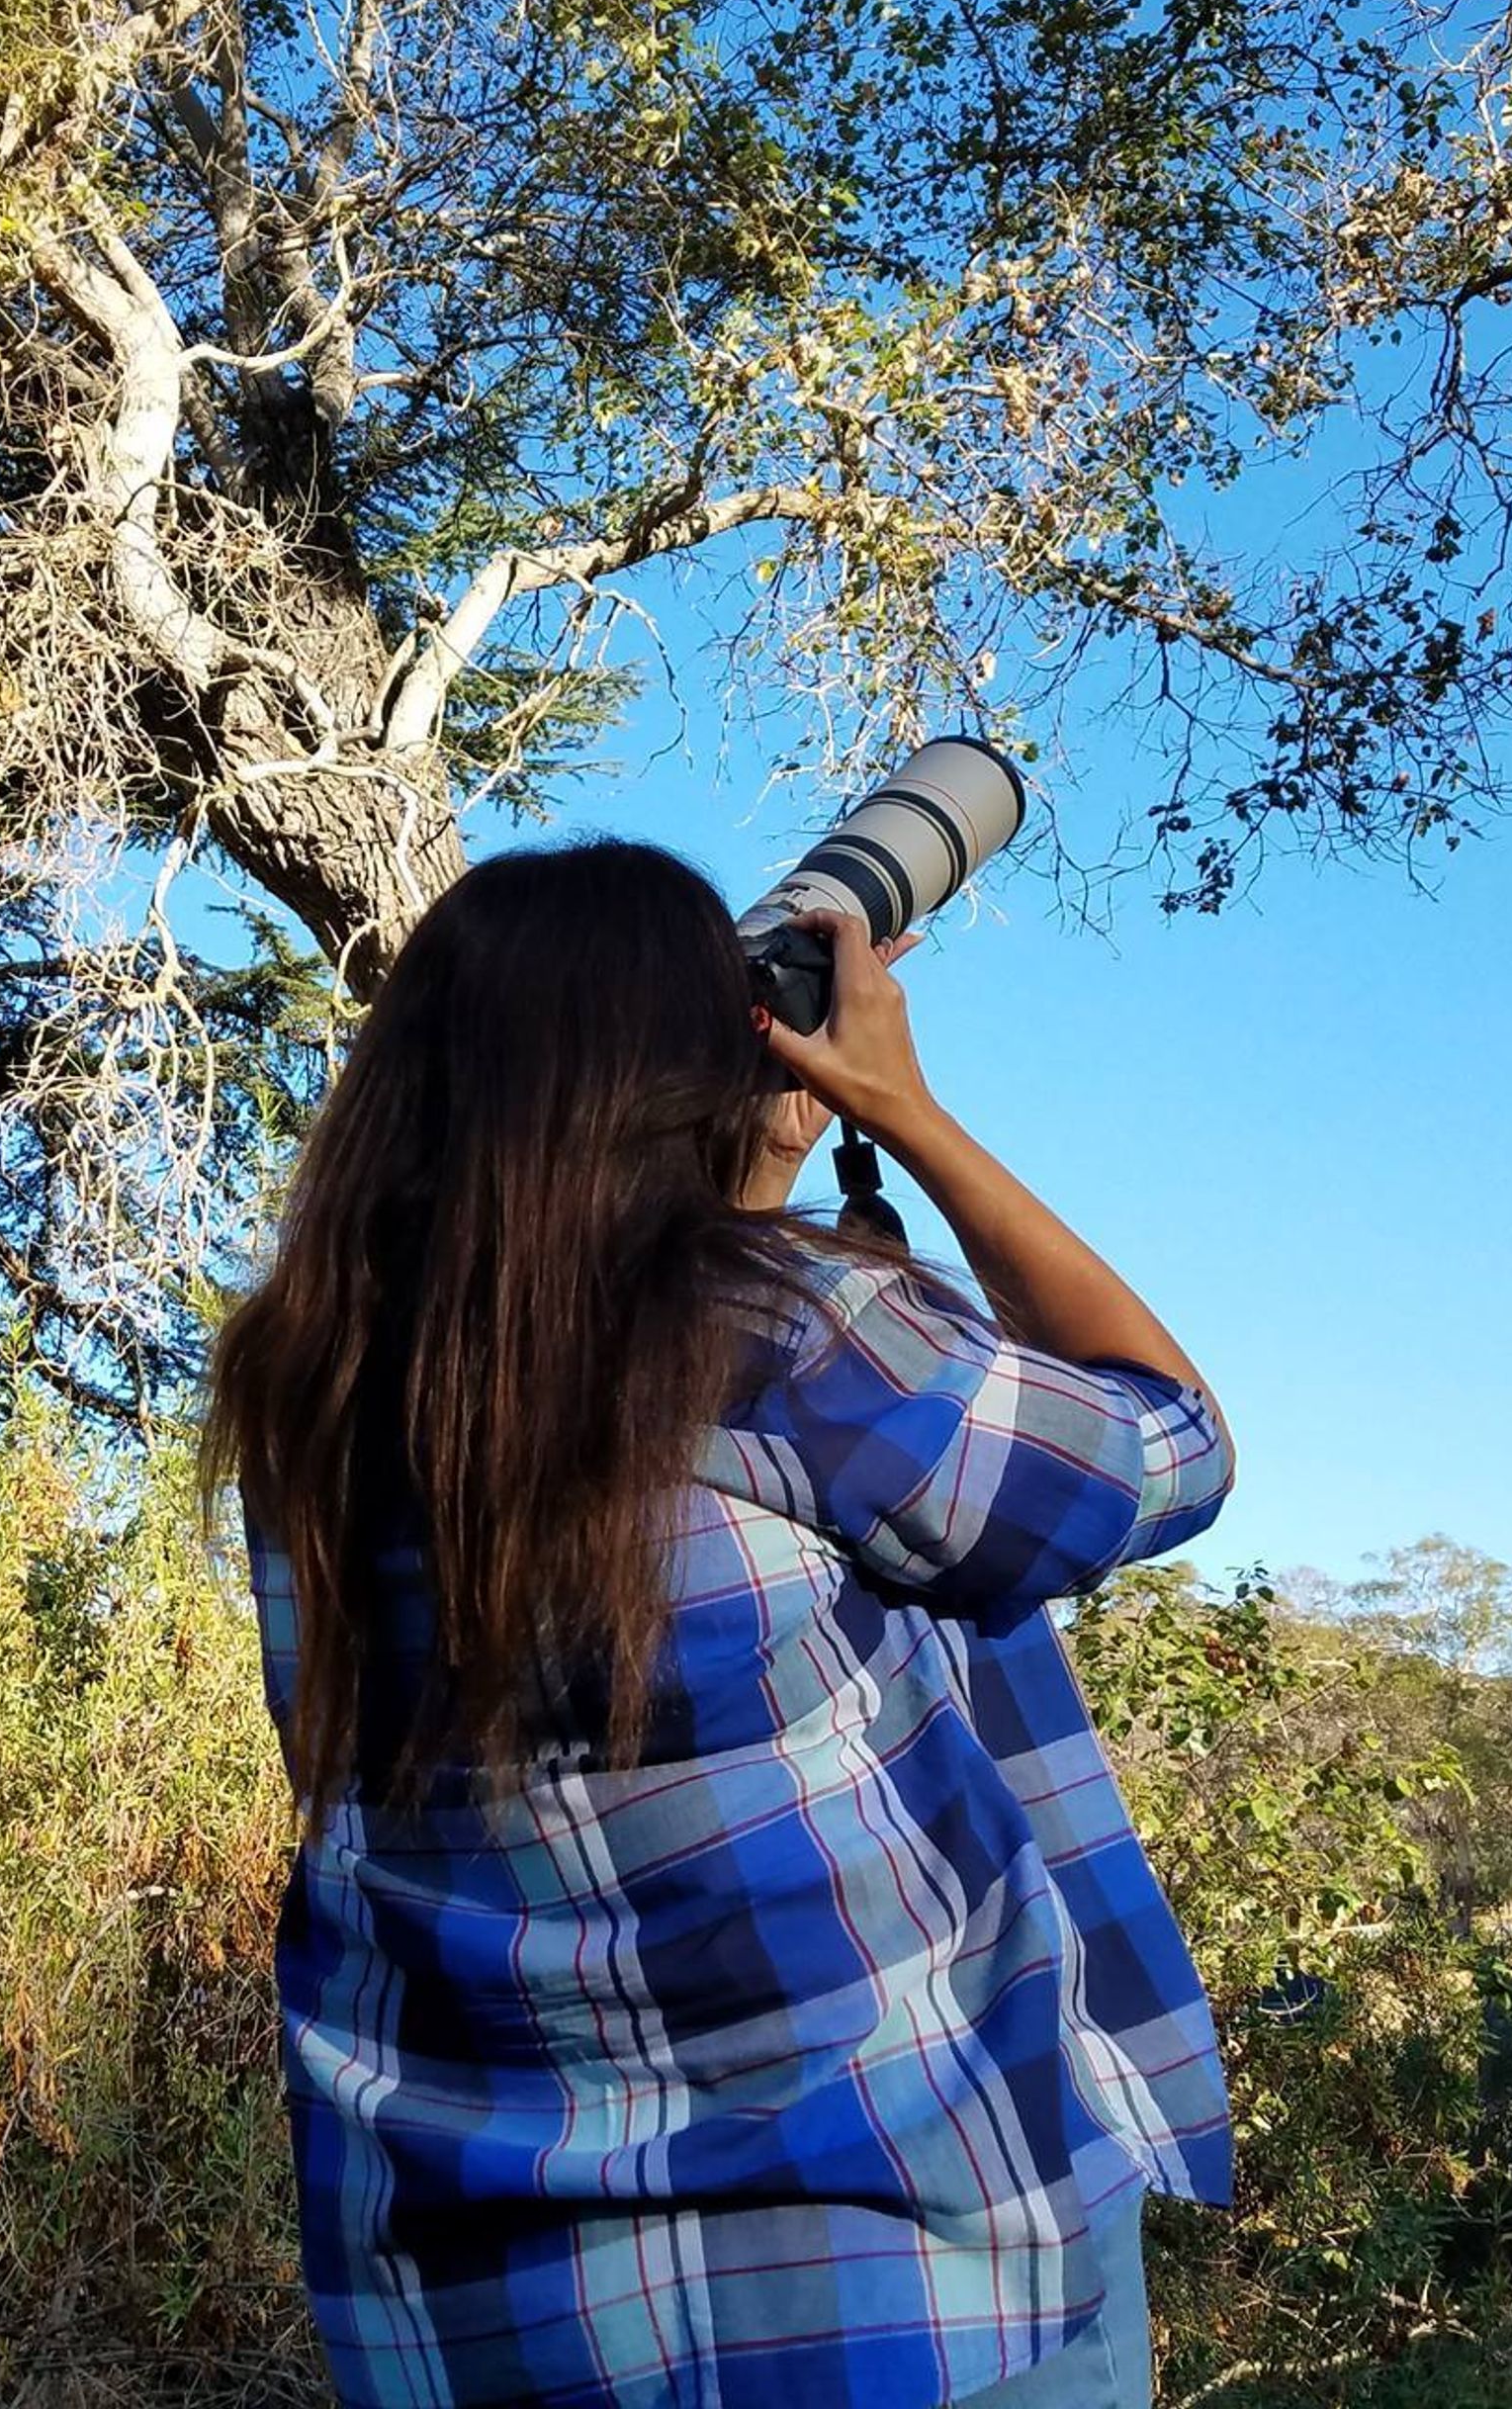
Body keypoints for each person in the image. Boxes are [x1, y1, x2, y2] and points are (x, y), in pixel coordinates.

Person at [205, 840, 1235, 2409]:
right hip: (907, 2285)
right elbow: (1165, 1447)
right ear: (701, 1066)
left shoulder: (307, 1401)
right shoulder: (788, 1334)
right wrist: (903, 1115)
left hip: (488, 2325)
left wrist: (742, 1176)